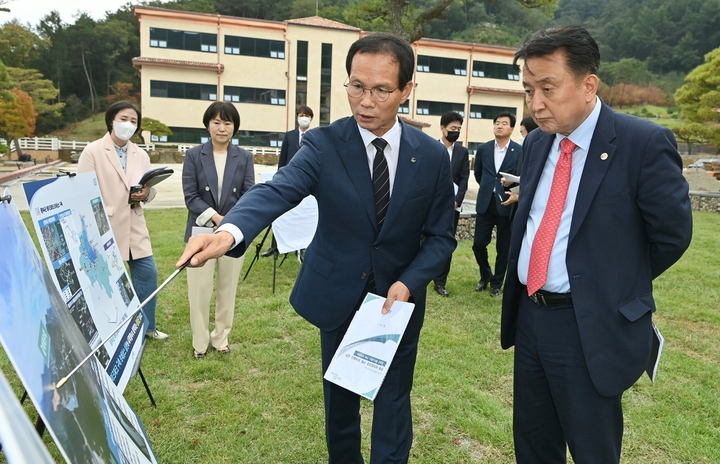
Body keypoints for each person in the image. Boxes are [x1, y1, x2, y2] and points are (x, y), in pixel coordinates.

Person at [177, 32, 456, 463]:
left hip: (397, 303)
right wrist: (229, 231)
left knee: (394, 403)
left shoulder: (433, 157)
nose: (365, 101)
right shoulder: (323, 144)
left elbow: (441, 237)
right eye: (356, 86)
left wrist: (409, 282)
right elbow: (278, 190)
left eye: (381, 90)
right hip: (338, 295)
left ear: (406, 90)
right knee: (340, 407)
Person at [502, 26, 692, 463]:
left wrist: (608, 282)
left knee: (592, 448)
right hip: (531, 317)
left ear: (589, 85)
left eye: (548, 88)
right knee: (533, 443)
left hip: (588, 324)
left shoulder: (641, 143)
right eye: (529, 90)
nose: (536, 104)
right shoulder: (535, 143)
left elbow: (672, 235)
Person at [78, 101, 168, 340]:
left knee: (148, 274)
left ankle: (146, 327)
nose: (128, 124)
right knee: (104, 280)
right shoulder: (93, 151)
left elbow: (150, 188)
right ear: (112, 120)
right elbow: (83, 190)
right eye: (124, 119)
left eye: (134, 121)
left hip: (134, 223)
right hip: (104, 225)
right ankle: (107, 330)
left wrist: (146, 194)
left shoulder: (141, 154)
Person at [182, 101, 255, 358]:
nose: (221, 128)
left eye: (227, 123)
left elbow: (249, 195)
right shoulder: (193, 155)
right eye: (216, 122)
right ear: (207, 125)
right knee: (199, 291)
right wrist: (216, 218)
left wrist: (230, 222)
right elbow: (191, 196)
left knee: (228, 288)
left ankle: (221, 338)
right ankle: (200, 342)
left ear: (234, 127)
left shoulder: (244, 157)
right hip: (201, 231)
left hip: (233, 233)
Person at [472, 112, 521, 297]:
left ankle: (497, 283)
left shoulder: (519, 150)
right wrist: (488, 188)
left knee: (503, 248)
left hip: (507, 203)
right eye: (497, 123)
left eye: (504, 123)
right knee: (478, 244)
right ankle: (486, 274)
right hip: (485, 203)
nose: (499, 126)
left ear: (511, 129)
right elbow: (478, 174)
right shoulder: (483, 149)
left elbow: (521, 177)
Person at [262, 105, 314, 258]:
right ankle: (274, 246)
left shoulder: (316, 136)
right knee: (280, 212)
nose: (303, 118)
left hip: (307, 181)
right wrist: (279, 177)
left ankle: (303, 246)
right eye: (301, 114)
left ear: (311, 118)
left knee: (304, 216)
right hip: (288, 179)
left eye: (307, 115)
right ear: (297, 117)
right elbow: (283, 158)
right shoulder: (289, 136)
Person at [432, 111, 469, 297]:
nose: (456, 132)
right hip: (431, 207)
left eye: (459, 129)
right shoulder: (431, 147)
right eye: (453, 128)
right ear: (442, 128)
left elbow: (464, 179)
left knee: (446, 243)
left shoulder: (462, 152)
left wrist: (457, 200)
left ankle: (440, 282)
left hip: (452, 207)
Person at [502, 116, 539, 209]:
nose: (520, 137)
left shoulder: (541, 156)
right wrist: (510, 182)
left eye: (522, 133)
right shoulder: (522, 153)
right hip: (517, 208)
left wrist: (519, 197)